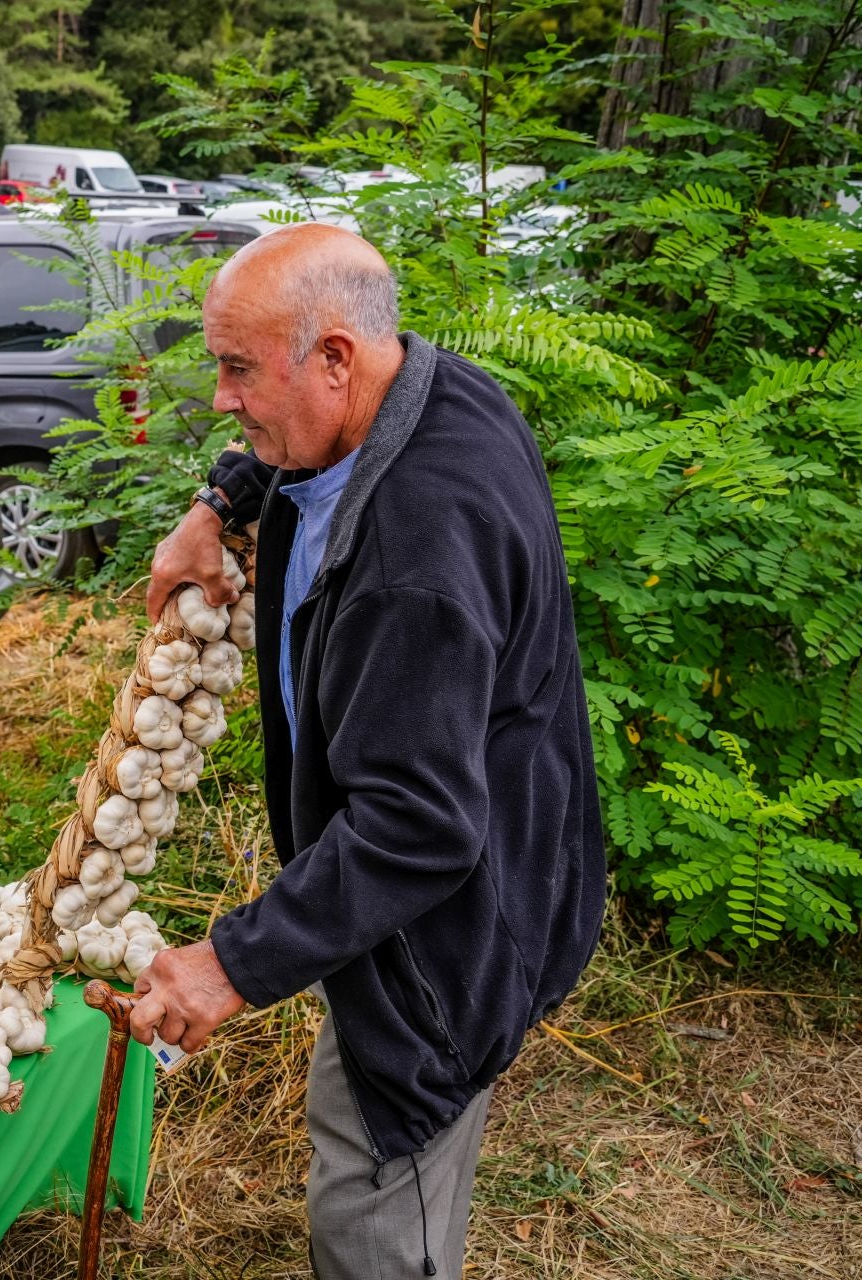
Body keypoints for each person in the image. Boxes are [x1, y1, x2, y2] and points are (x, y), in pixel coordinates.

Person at [129, 224, 606, 1278]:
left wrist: (229, 964)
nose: (221, 397)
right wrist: (220, 504)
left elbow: (417, 827)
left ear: (336, 356)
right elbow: (309, 442)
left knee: (375, 1197)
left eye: (239, 368)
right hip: (471, 864)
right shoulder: (427, 388)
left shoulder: (414, 553)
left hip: (449, 936)